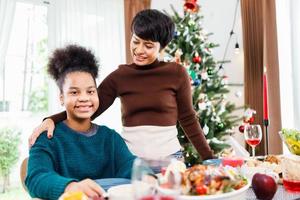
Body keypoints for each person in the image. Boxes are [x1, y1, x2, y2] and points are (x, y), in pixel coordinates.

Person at [29, 9, 214, 161]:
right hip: (131, 161)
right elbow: (89, 107)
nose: (139, 50)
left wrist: (209, 158)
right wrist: (52, 119)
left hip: (171, 160)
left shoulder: (176, 73)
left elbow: (188, 118)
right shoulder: (120, 76)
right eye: (136, 41)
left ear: (162, 47)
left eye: (148, 46)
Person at [25, 45, 136, 200]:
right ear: (61, 98)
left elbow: (130, 165)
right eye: (74, 92)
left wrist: (148, 176)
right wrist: (71, 187)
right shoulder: (47, 138)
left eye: (90, 91)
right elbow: (35, 178)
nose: (84, 98)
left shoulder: (110, 138)